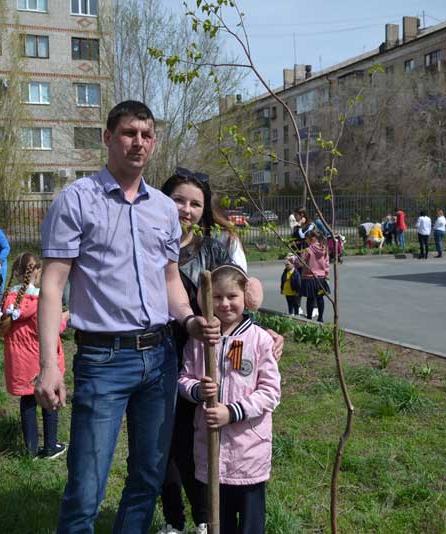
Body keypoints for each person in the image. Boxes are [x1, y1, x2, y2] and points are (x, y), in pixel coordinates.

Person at [35, 100, 221, 534]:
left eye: (147, 135)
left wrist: (190, 321)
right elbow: (51, 287)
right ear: (107, 138)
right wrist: (49, 364)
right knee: (86, 487)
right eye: (129, 133)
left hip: (159, 360)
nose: (139, 142)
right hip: (103, 361)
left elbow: (171, 280)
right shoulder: (77, 201)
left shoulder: (162, 209)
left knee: (147, 478)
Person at [158, 168, 285, 534]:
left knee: (196, 438)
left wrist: (261, 332)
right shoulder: (151, 242)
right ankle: (173, 520)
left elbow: (241, 296)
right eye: (178, 200)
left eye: (195, 203)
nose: (186, 209)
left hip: (208, 348)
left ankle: (204, 518)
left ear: (205, 208)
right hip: (164, 352)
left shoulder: (218, 245)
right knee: (163, 441)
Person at [178, 264, 280, 534]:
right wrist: (197, 391)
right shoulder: (199, 341)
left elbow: (270, 391)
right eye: (217, 297)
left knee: (249, 526)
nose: (224, 304)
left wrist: (232, 411)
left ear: (245, 298)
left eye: (232, 296)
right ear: (204, 300)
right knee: (217, 525)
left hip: (248, 454)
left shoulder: (259, 340)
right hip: (210, 453)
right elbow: (184, 379)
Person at [0, 252, 67, 459]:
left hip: (19, 362)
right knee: (49, 399)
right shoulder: (40, 300)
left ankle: (30, 450)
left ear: (16, 273)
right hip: (40, 359)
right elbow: (53, 327)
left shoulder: (8, 300)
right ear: (37, 272)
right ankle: (51, 446)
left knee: (27, 402)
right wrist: (66, 317)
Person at [300, 230, 330, 322]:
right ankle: (320, 318)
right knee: (320, 298)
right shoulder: (324, 249)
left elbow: (301, 263)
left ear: (312, 239)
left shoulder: (307, 250)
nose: (306, 241)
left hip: (309, 277)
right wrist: (326, 274)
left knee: (310, 298)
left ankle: (309, 318)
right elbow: (326, 263)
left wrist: (293, 260)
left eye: (306, 239)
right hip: (320, 277)